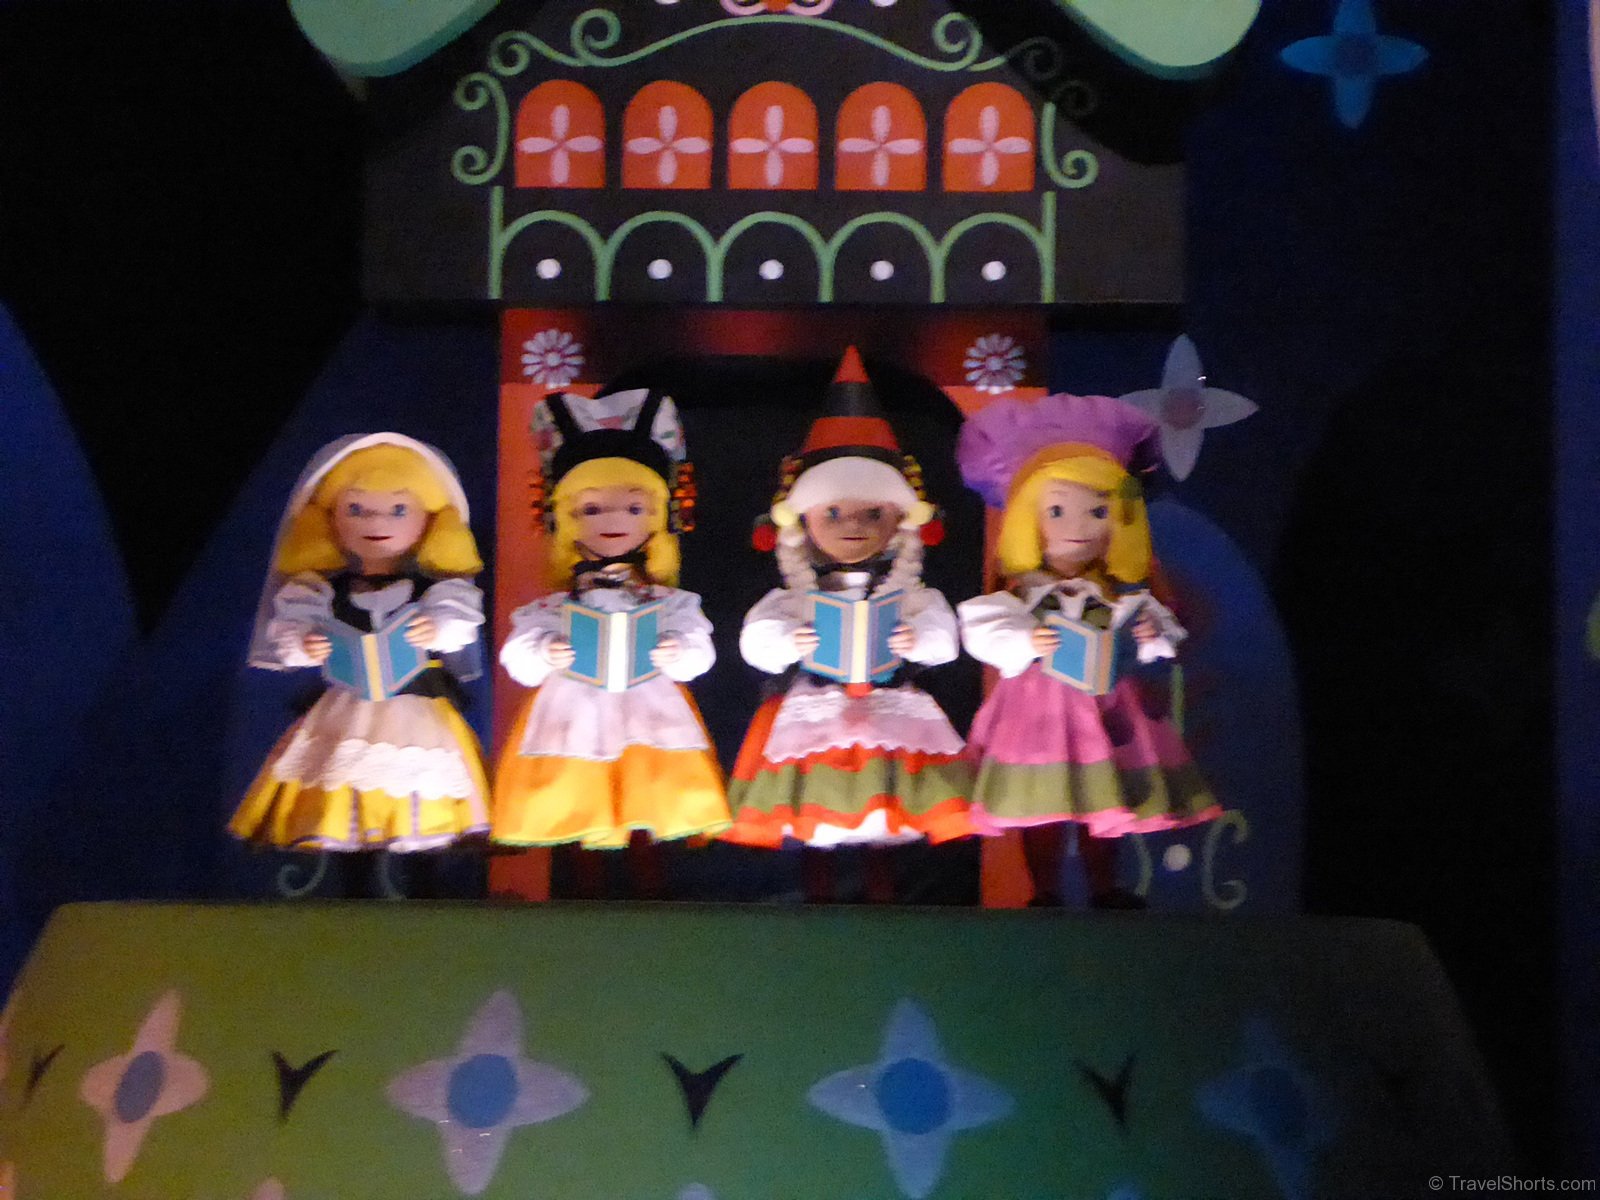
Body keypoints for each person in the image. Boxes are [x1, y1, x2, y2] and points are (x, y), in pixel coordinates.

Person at [722, 348, 975, 897]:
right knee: (819, 816)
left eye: (873, 513)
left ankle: (880, 897)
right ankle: (818, 896)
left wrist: (917, 639)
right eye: (833, 512)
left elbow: (943, 639)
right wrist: (789, 639)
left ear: (899, 520)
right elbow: (757, 642)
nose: (852, 525)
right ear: (805, 522)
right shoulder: (794, 596)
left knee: (884, 816)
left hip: (888, 707)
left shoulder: (911, 594)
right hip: (818, 707)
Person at [955, 393, 1219, 908]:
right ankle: (1044, 890)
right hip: (1038, 710)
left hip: (1107, 707)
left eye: (1097, 511)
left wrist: (1149, 636)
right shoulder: (1023, 593)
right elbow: (984, 631)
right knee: (1042, 803)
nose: (1077, 528)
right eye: (1056, 511)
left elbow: (1160, 635)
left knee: (1106, 797)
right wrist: (1027, 639)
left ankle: (1104, 887)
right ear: (1029, 518)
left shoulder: (1120, 595)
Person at [230, 433, 490, 891]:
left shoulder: (437, 593)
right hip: (347, 707)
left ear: (429, 520)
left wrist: (437, 629)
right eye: (356, 509)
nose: (376, 522)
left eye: (398, 509)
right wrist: (307, 643)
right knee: (345, 795)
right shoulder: (321, 592)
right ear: (331, 518)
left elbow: (459, 624)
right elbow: (290, 633)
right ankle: (354, 890)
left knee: (418, 795)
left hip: (415, 711)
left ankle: (424, 888)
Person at [494, 387, 728, 858]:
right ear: (564, 518)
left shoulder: (670, 602)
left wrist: (679, 650)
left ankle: (648, 881)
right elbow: (519, 657)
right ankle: (582, 885)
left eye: (634, 508)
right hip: (573, 711)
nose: (613, 519)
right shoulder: (555, 606)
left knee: (651, 802)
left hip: (649, 709)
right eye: (591, 508)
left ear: (659, 517)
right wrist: (544, 651)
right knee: (577, 805)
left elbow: (698, 652)